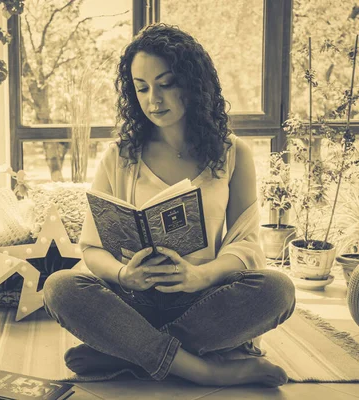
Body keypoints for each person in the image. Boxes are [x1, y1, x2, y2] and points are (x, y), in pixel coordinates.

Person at [43, 23, 295, 387]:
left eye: (166, 84)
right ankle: (205, 369)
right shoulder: (120, 156)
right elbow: (92, 248)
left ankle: (128, 351)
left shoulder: (232, 153)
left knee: (278, 290)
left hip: (201, 301)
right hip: (132, 301)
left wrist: (199, 276)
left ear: (193, 83)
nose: (153, 100)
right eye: (142, 88)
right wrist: (123, 275)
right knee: (60, 287)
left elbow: (247, 245)